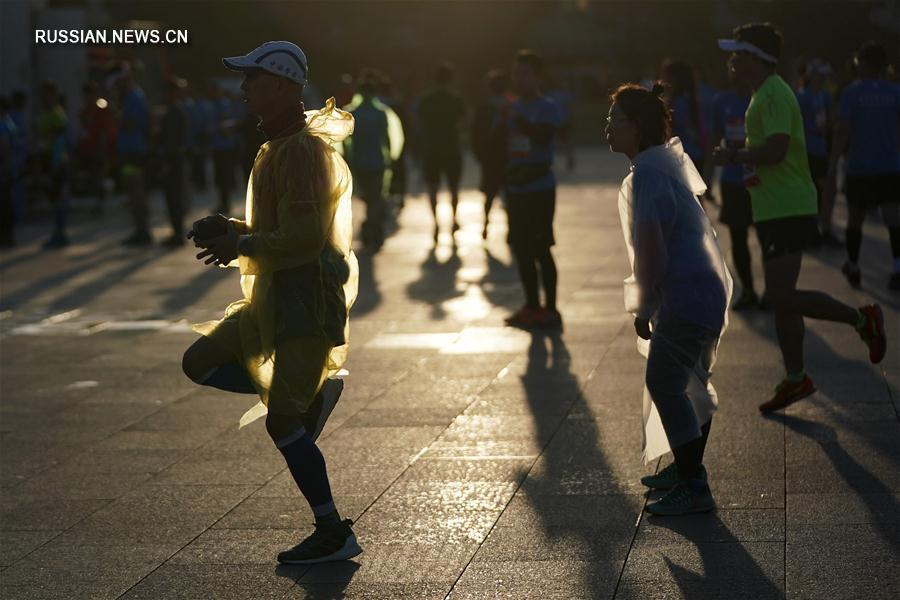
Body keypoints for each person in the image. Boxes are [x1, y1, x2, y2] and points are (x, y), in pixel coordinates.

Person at [181, 41, 361, 565]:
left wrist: (240, 244)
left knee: (281, 424)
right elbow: (280, 227)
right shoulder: (277, 146)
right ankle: (308, 395)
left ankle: (332, 530)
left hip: (307, 303)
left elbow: (304, 237)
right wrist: (232, 228)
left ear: (282, 86)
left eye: (252, 80)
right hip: (275, 298)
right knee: (199, 361)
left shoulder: (301, 151)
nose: (243, 90)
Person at [714, 23, 887, 412]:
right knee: (783, 299)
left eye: (738, 54)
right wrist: (742, 151)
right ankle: (796, 378)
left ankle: (863, 321)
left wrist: (735, 155)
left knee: (780, 295)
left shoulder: (773, 94)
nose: (732, 61)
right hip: (775, 206)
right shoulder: (764, 93)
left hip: (787, 207)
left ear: (756, 58)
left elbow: (777, 151)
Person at [606, 83, 731, 515]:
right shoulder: (657, 167)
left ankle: (694, 485)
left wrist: (642, 307)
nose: (608, 127)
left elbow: (652, 252)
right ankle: (686, 467)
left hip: (688, 295)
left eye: (616, 119)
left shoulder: (650, 175)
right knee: (688, 383)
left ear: (637, 126)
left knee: (665, 382)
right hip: (700, 290)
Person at [828, 41, 900, 290]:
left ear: (864, 63)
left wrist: (833, 162)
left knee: (855, 219)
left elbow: (843, 130)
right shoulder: (895, 93)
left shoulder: (852, 92)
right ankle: (897, 268)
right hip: (890, 166)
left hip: (860, 167)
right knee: (893, 219)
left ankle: (853, 265)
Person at [502, 50, 562, 330]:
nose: (518, 79)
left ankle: (550, 309)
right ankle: (531, 306)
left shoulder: (547, 107)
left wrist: (518, 119)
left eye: (524, 74)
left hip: (539, 187)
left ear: (538, 76)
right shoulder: (510, 108)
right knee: (521, 248)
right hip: (516, 187)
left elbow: (544, 136)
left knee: (541, 248)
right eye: (516, 74)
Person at [710, 66, 759, 309]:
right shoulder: (722, 102)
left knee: (766, 236)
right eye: (733, 68)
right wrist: (707, 177)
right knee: (739, 238)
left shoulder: (761, 100)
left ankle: (773, 292)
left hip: (761, 180)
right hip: (732, 181)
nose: (737, 73)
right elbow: (714, 138)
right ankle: (748, 290)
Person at [342, 69, 398, 250]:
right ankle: (373, 227)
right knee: (376, 197)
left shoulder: (352, 113)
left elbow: (346, 142)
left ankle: (369, 226)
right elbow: (386, 139)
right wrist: (390, 158)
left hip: (358, 162)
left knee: (366, 197)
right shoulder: (381, 113)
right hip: (377, 162)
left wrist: (347, 160)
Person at [417, 62, 466, 242]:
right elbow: (464, 122)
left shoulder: (426, 100)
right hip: (451, 147)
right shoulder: (455, 99)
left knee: (433, 188)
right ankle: (454, 220)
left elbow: (419, 123)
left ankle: (436, 223)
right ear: (451, 79)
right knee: (454, 188)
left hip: (432, 149)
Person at [796, 59, 840, 246]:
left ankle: (824, 228)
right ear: (811, 76)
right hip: (806, 150)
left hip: (821, 149)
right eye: (819, 76)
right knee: (809, 191)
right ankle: (807, 230)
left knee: (826, 190)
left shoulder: (824, 96)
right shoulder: (802, 96)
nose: (822, 79)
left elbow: (831, 119)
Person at [109, 63, 152, 246]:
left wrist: (116, 115)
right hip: (129, 152)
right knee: (132, 192)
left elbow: (132, 123)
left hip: (134, 152)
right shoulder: (130, 97)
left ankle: (143, 231)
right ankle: (139, 229)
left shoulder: (134, 97)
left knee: (137, 192)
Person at [471, 69, 509, 240]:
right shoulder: (511, 105)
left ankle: (485, 224)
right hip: (508, 156)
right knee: (508, 194)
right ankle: (510, 227)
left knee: (489, 194)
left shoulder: (484, 107)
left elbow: (475, 132)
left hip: (490, 156)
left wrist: (478, 152)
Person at [36, 82, 71, 248]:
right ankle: (57, 232)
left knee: (59, 198)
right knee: (53, 198)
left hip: (57, 162)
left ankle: (60, 233)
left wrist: (56, 164)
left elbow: (60, 142)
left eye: (48, 94)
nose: (45, 98)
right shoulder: (44, 114)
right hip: (47, 159)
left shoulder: (58, 115)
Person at [157, 75, 189, 246]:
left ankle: (177, 234)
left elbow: (171, 141)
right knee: (175, 198)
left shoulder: (173, 112)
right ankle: (177, 232)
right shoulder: (175, 110)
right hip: (176, 159)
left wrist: (166, 163)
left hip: (173, 160)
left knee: (174, 198)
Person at [78, 81, 117, 216]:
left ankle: (101, 203)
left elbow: (106, 130)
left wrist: (103, 149)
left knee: (100, 176)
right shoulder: (85, 110)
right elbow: (83, 128)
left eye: (91, 93)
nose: (88, 96)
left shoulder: (101, 109)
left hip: (100, 149)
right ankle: (98, 202)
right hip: (88, 148)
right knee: (93, 178)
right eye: (86, 94)